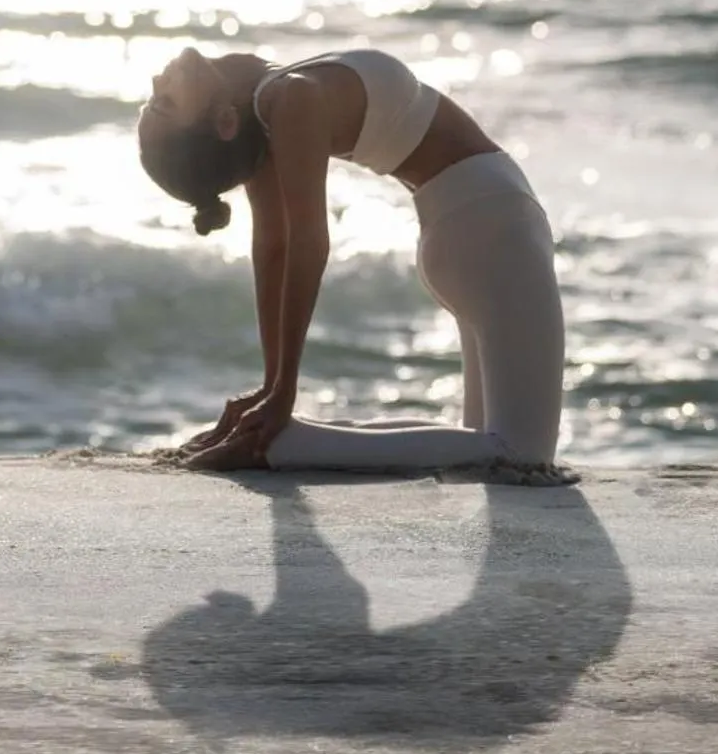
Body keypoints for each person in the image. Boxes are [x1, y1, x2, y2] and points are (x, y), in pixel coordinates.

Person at [137, 45, 564, 473]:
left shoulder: (262, 109)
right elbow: (299, 245)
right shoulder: (291, 99)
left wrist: (273, 390)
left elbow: (274, 250)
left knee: (486, 441)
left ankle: (275, 435)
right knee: (522, 455)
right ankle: (280, 445)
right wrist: (281, 391)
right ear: (223, 122)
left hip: (468, 232)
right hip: (493, 229)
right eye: (166, 103)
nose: (159, 81)